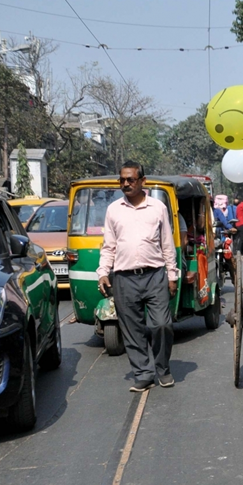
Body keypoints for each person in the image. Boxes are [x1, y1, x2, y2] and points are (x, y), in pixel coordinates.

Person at [97, 160, 180, 391]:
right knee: (132, 329)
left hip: (155, 276)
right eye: (122, 180)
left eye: (130, 180)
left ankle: (163, 369)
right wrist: (103, 272)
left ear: (142, 181)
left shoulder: (158, 208)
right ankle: (143, 374)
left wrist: (172, 276)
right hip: (124, 278)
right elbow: (109, 246)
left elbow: (167, 244)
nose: (126, 184)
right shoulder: (113, 210)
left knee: (162, 324)